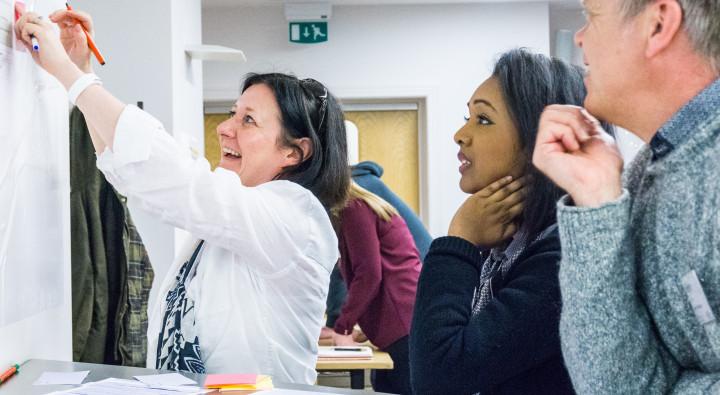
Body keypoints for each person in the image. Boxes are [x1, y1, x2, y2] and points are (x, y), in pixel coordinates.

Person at [15, 7, 350, 385]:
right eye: (232, 113)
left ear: (295, 152)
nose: (224, 128)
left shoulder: (296, 220)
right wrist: (81, 70)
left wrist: (69, 75)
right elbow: (126, 171)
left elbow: (175, 177)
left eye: (248, 120)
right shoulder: (234, 219)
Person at [531, 1, 720, 393]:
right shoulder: (650, 169)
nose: (579, 37)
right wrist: (596, 202)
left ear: (658, 24)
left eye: (592, 17)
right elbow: (614, 386)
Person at [410, 49, 602, 394]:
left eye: (483, 120)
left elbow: (439, 376)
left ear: (540, 141)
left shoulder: (564, 261)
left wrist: (459, 241)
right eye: (466, 117)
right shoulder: (511, 244)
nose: (460, 134)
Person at [322, 160, 431, 335]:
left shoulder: (350, 202)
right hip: (413, 291)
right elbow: (345, 264)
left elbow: (363, 271)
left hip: (410, 294)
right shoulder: (358, 187)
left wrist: (338, 324)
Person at [333, 181, 421, 395]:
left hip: (402, 322)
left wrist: (343, 326)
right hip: (405, 321)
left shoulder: (354, 209)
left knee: (394, 385)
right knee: (383, 384)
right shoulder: (361, 207)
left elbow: (369, 274)